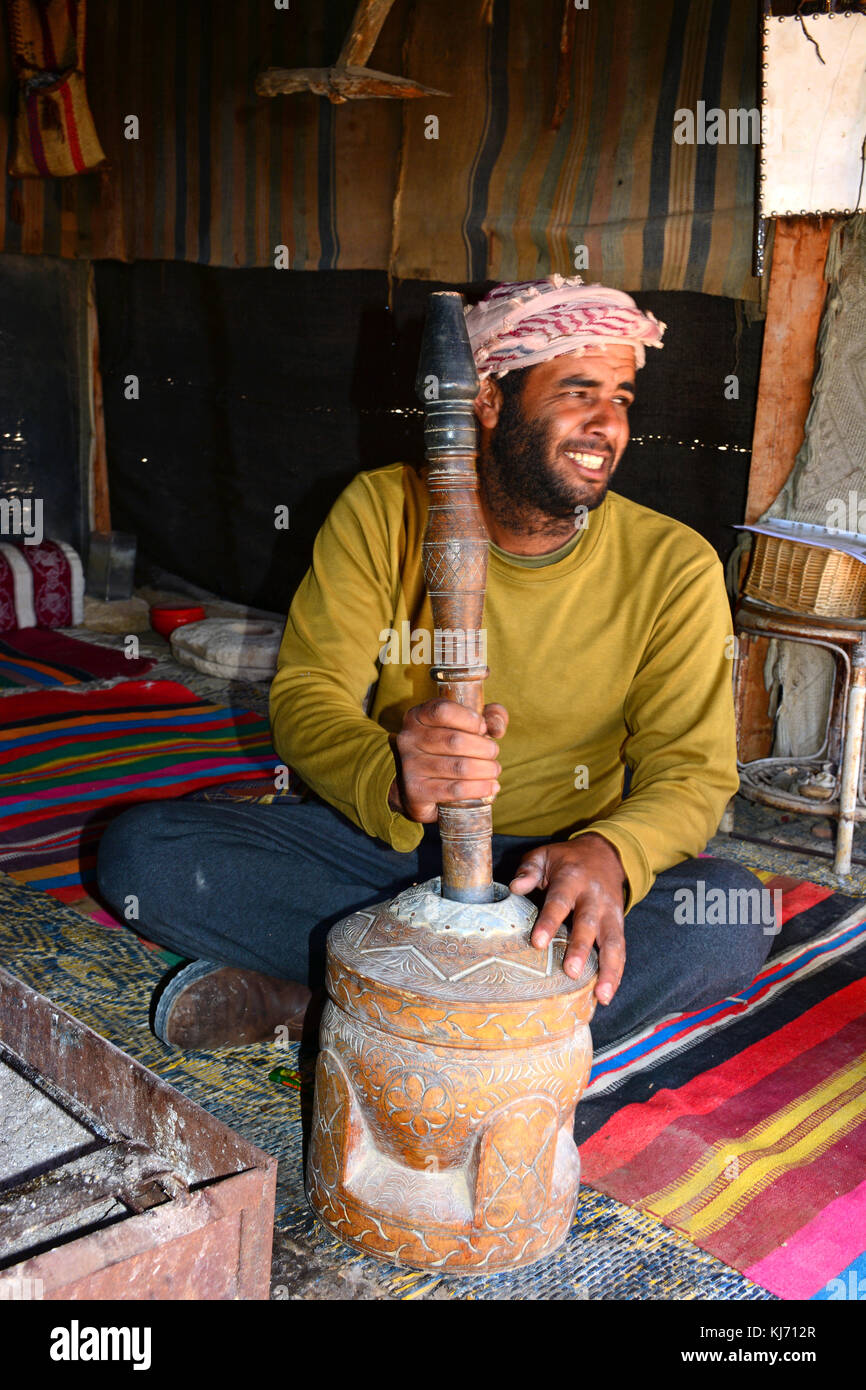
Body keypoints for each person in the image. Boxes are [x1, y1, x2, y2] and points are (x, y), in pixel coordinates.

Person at [97, 275, 771, 1053]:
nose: (607, 424)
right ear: (486, 400)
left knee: (730, 915)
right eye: (577, 391)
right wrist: (395, 776)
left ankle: (337, 999)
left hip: (547, 874)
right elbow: (309, 696)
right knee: (146, 854)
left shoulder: (673, 564)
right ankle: (486, 1019)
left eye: (621, 398)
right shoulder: (381, 511)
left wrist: (612, 854)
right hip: (396, 855)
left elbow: (692, 771)